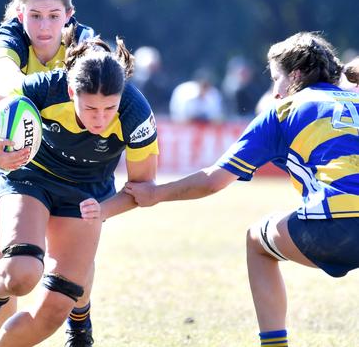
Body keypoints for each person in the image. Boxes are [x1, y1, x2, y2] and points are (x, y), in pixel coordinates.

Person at [124, 31, 358, 346]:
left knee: (256, 242)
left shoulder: (284, 110)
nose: (276, 90)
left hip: (337, 224)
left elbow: (211, 180)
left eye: (277, 78)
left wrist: (156, 193)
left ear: (297, 75)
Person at [0, 36, 158, 347]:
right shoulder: (48, 86)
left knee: (55, 310)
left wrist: (103, 210)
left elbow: (142, 187)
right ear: (70, 92)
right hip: (32, 176)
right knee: (21, 274)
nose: (101, 118)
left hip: (86, 194)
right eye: (90, 107)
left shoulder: (136, 113)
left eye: (109, 108)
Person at [0, 0, 96, 344]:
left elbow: (102, 85)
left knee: (72, 260)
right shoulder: (6, 39)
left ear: (68, 16)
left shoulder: (84, 41)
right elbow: (8, 78)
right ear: (20, 15)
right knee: (7, 267)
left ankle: (80, 323)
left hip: (69, 163)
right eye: (34, 16)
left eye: (53, 16)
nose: (44, 27)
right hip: (12, 158)